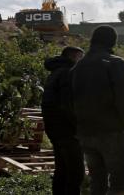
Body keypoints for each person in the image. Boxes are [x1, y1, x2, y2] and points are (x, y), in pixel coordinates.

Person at [71, 25, 124, 195]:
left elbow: (69, 100)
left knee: (97, 181)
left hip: (85, 132)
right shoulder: (116, 63)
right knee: (119, 183)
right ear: (113, 41)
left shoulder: (77, 67)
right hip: (112, 131)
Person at [42, 46, 85, 195]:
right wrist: (78, 127)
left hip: (55, 129)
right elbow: (68, 105)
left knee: (62, 169)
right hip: (68, 131)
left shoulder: (55, 73)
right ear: (73, 57)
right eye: (80, 57)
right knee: (76, 172)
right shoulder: (68, 73)